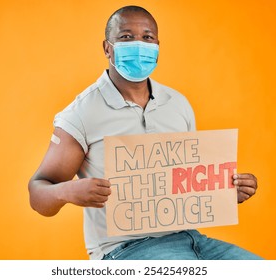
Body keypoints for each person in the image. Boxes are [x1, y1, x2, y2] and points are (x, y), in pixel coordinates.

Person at [28, 5, 263, 260]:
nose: (139, 44)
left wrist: (226, 192)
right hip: (124, 250)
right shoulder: (80, 113)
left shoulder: (178, 103)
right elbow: (38, 191)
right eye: (126, 37)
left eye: (147, 37)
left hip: (192, 239)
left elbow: (187, 181)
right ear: (108, 48)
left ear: (158, 47)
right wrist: (67, 192)